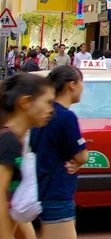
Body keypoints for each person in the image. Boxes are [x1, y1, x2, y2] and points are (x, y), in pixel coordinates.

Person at [30, 66, 87, 239]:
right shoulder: (66, 117)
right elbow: (82, 156)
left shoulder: (42, 113)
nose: (82, 87)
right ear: (72, 85)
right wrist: (78, 161)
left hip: (41, 186)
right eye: (81, 82)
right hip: (57, 191)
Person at [0, 73, 56, 239]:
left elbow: (12, 203)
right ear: (24, 102)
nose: (51, 110)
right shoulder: (7, 140)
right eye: (47, 102)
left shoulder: (19, 138)